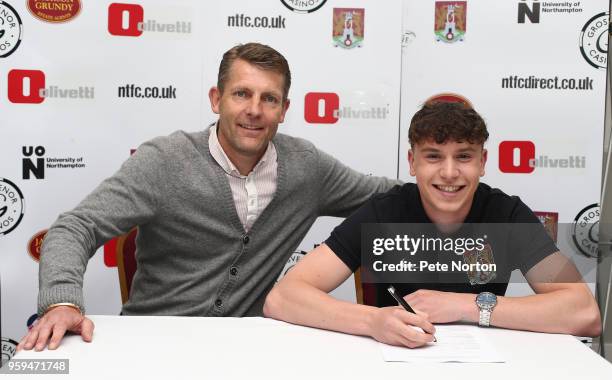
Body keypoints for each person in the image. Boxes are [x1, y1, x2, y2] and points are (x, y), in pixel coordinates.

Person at [18, 42, 399, 351]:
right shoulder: (164, 161)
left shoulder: (307, 167)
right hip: (150, 345)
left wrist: (450, 180)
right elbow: (76, 226)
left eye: (269, 99)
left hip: (246, 351)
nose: (254, 110)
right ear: (216, 99)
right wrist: (62, 301)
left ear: (284, 110)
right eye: (241, 94)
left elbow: (385, 196)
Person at [264, 102, 602, 348]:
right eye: (434, 156)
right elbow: (282, 298)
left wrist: (463, 305)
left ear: (483, 162)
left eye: (464, 156)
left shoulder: (506, 214)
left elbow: (584, 311)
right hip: (395, 362)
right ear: (412, 162)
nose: (450, 173)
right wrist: (372, 320)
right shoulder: (384, 213)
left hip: (482, 365)